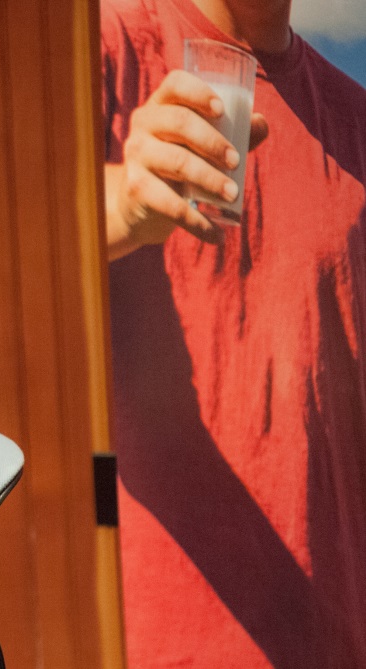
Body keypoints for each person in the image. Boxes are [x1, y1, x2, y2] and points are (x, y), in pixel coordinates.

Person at [102, 0, 366, 666]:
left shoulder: (355, 119)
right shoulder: (103, 45)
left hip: (330, 637)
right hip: (151, 640)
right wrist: (122, 203)